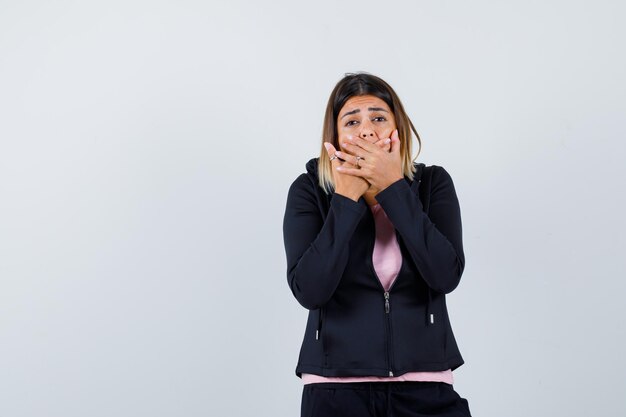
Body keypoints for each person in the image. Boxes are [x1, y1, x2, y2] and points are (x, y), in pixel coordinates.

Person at [282, 72, 472, 417]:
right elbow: (309, 290)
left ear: (397, 128)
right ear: (335, 137)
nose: (367, 130)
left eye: (379, 118)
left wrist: (393, 189)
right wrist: (345, 201)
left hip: (427, 387)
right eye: (352, 121)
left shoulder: (432, 185)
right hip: (333, 391)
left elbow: (445, 275)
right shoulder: (309, 190)